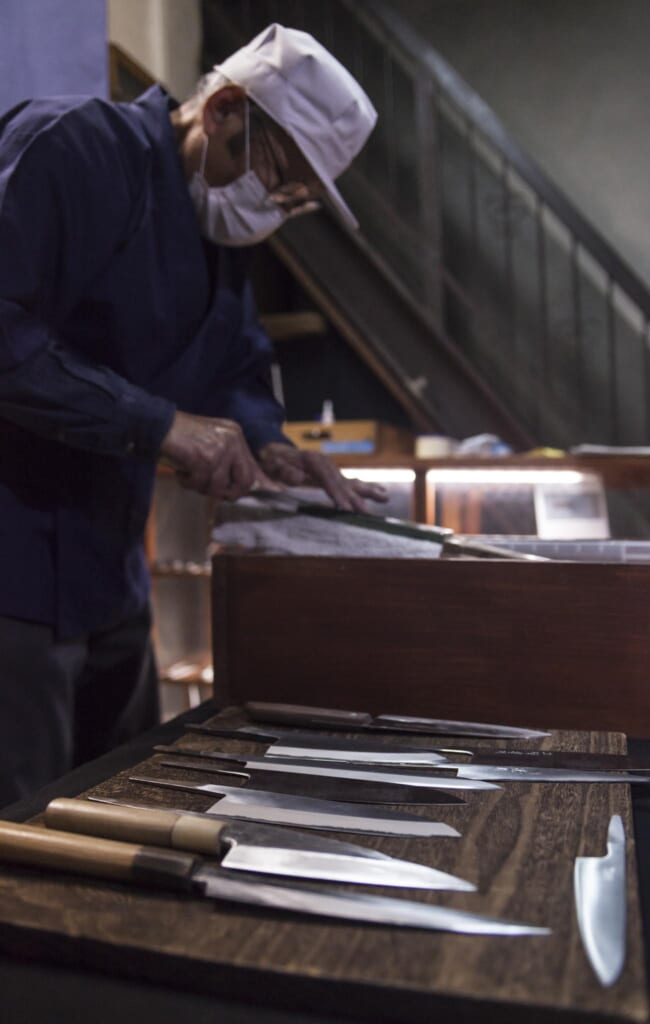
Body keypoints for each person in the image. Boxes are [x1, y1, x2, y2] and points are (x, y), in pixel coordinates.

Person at [0, 23, 387, 807]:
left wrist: (271, 443)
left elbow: (233, 362)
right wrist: (158, 424)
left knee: (123, 798)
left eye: (296, 202)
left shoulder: (216, 231)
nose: (275, 207)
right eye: (279, 176)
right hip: (12, 566)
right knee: (24, 831)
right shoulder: (74, 148)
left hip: (111, 566)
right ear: (223, 111)